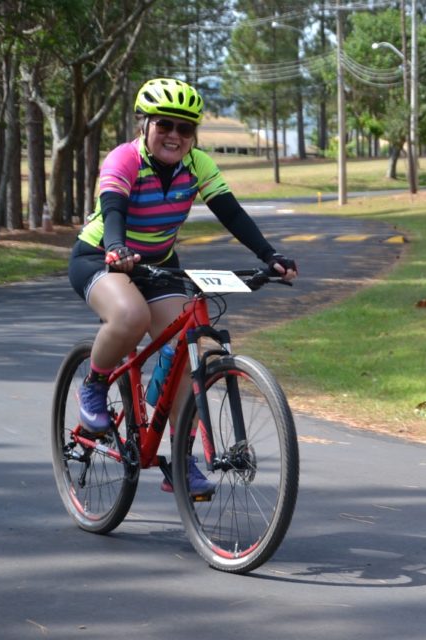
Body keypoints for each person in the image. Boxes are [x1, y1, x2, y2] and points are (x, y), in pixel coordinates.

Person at [68, 78, 297, 495]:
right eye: (166, 125)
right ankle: (95, 385)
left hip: (158, 264)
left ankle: (180, 459)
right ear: (146, 125)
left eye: (185, 128)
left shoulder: (198, 165)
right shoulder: (124, 159)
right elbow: (114, 208)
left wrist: (269, 256)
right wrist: (117, 247)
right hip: (101, 256)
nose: (175, 135)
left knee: (183, 359)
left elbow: (231, 212)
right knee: (130, 316)